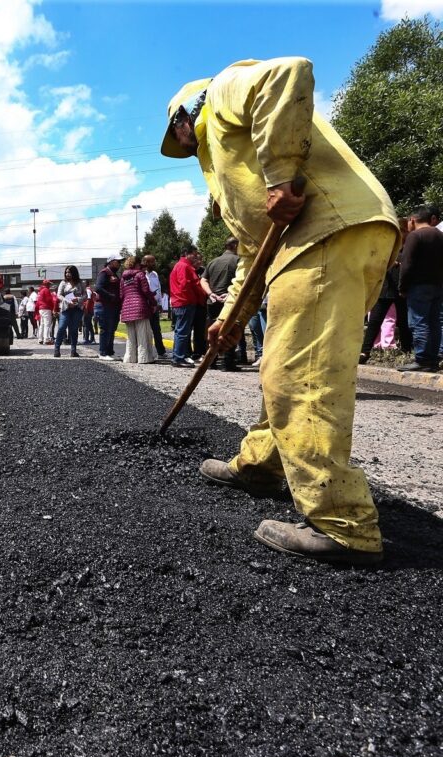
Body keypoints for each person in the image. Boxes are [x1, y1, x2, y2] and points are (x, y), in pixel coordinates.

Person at [162, 56, 400, 564]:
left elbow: (288, 72)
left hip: (326, 231)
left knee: (299, 375)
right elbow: (254, 253)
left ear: (183, 118)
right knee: (285, 365)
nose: (184, 149)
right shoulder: (229, 161)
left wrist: (280, 176)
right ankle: (262, 465)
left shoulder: (222, 91)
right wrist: (229, 318)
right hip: (328, 238)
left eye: (178, 138)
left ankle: (342, 524)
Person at [397, 205, 443, 372]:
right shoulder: (440, 235)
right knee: (435, 322)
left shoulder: (415, 236)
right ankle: (433, 360)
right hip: (437, 286)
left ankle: (422, 359)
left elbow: (407, 264)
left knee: (419, 322)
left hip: (418, 286)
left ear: (412, 220)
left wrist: (402, 286)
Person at [360, 216, 411, 364]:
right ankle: (365, 351)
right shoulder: (386, 246)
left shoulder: (409, 246)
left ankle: (407, 349)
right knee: (375, 321)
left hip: (402, 289)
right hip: (385, 288)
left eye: (403, 231)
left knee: (404, 322)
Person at [205, 237, 243, 371]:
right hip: (229, 301)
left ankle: (211, 361)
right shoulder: (238, 261)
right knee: (229, 330)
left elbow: (203, 280)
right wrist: (230, 294)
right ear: (235, 246)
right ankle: (228, 362)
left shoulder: (212, 262)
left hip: (213, 301)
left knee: (213, 330)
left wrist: (210, 294)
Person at [168, 247, 206, 368]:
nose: (195, 257)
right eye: (193, 254)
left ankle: (178, 356)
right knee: (183, 331)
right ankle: (179, 358)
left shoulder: (180, 265)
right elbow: (185, 284)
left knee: (180, 331)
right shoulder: (184, 266)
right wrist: (194, 298)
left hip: (181, 301)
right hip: (185, 302)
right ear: (186, 254)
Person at [119, 254, 158, 364]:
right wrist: (154, 302)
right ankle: (144, 358)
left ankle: (130, 358)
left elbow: (121, 295)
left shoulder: (123, 278)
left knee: (131, 336)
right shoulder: (140, 274)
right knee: (143, 334)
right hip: (140, 307)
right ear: (136, 264)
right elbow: (146, 291)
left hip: (127, 308)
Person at [53, 266, 85, 358]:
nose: (67, 274)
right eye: (66, 272)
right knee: (61, 327)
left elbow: (85, 295)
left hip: (77, 308)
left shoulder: (81, 283)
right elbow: (59, 295)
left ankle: (73, 350)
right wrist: (68, 301)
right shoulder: (63, 283)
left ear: (74, 273)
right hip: (65, 308)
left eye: (69, 272)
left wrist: (77, 299)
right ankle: (57, 349)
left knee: (74, 329)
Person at [94, 255, 122, 360]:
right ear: (110, 262)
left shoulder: (115, 275)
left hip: (114, 307)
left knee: (112, 329)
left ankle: (110, 351)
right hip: (104, 306)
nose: (119, 264)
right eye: (117, 261)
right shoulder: (104, 273)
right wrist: (111, 296)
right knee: (105, 329)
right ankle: (103, 353)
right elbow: (98, 288)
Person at [141, 254, 166, 357]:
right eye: (151, 262)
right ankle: (146, 353)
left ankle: (161, 352)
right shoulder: (141, 274)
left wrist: (159, 303)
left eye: (154, 261)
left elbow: (158, 289)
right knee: (145, 331)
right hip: (145, 306)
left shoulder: (155, 274)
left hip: (155, 306)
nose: (154, 263)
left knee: (157, 330)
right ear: (145, 262)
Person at [36, 279, 56, 344]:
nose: (50, 285)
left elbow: (38, 301)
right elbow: (49, 300)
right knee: (47, 324)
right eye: (49, 284)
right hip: (46, 308)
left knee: (42, 324)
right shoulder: (46, 290)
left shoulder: (41, 291)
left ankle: (40, 339)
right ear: (47, 284)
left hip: (41, 309)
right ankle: (46, 339)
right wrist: (53, 308)